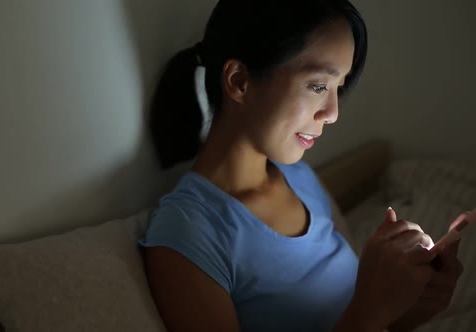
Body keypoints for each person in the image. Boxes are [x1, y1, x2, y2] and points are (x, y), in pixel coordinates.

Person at [139, 0, 464, 331]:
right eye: (319, 86)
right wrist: (372, 308)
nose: (333, 112)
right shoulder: (187, 232)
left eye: (339, 87)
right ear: (239, 81)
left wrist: (421, 303)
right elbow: (363, 316)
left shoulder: (300, 179)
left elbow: (363, 318)